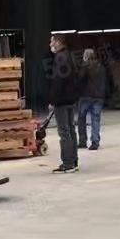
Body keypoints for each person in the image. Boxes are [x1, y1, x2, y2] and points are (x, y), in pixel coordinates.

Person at [46, 35, 82, 173]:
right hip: (70, 99)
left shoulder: (60, 57)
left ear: (58, 42)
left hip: (61, 100)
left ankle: (67, 164)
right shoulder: (69, 56)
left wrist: (53, 101)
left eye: (52, 41)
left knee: (64, 132)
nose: (50, 44)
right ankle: (74, 161)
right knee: (71, 130)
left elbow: (58, 82)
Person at [77, 49, 107, 151]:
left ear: (86, 57)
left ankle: (82, 141)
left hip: (86, 96)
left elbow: (80, 80)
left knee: (81, 119)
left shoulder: (84, 66)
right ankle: (95, 142)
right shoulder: (101, 67)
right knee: (95, 119)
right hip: (99, 97)